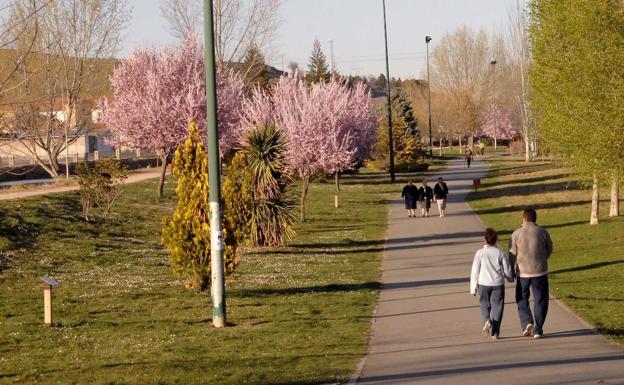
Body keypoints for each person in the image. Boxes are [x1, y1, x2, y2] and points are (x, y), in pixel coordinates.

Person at [509, 208, 554, 339]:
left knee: (522, 299)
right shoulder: (542, 232)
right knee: (541, 300)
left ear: (524, 218)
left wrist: (512, 269)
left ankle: (527, 321)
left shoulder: (516, 234)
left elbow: (512, 254)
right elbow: (549, 248)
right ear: (535, 219)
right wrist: (544, 257)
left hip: (523, 272)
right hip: (539, 271)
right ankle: (538, 329)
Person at [470, 228, 514, 340]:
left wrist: (473, 287)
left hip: (483, 283)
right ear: (496, 240)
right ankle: (495, 332)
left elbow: (475, 271)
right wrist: (510, 278)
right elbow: (507, 269)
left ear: (485, 239)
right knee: (498, 307)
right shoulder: (500, 253)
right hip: (497, 283)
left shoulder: (480, 253)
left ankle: (486, 320)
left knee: (484, 304)